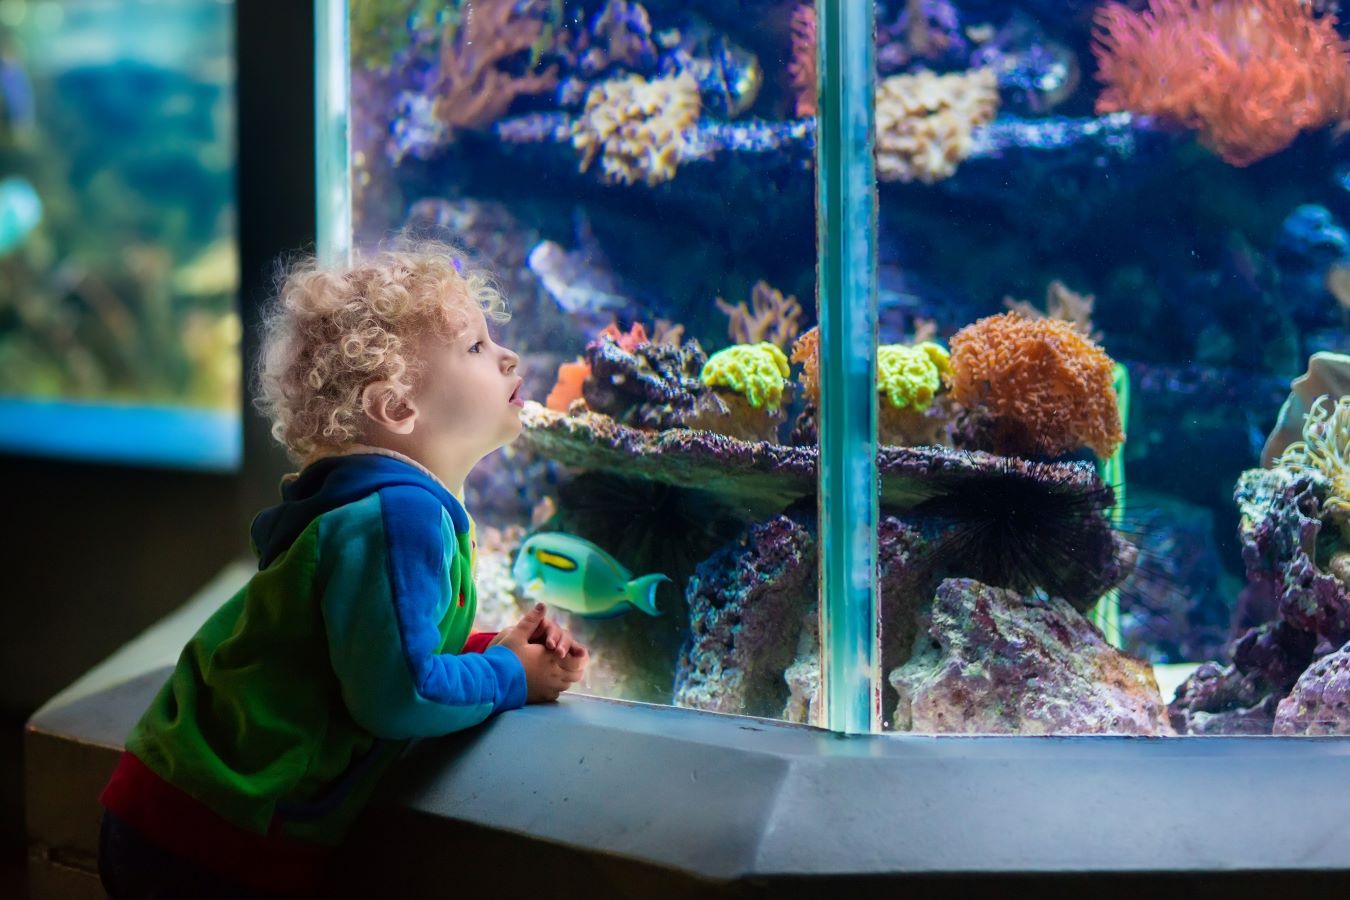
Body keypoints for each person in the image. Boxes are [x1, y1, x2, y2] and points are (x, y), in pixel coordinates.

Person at [97, 241, 588, 899]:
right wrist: (509, 677)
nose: (508, 357)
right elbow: (398, 693)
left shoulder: (370, 500)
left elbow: (364, 653)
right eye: (475, 346)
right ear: (397, 408)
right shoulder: (400, 512)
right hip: (212, 839)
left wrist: (490, 648)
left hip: (178, 809)